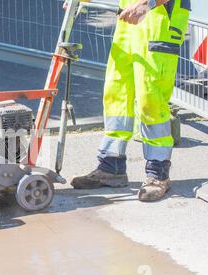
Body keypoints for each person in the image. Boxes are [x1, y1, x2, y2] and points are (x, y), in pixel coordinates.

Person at [69, 0, 191, 201]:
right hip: (130, 19)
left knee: (150, 98)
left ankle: (158, 173)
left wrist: (147, 4)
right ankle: (111, 165)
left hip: (160, 19)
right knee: (116, 91)